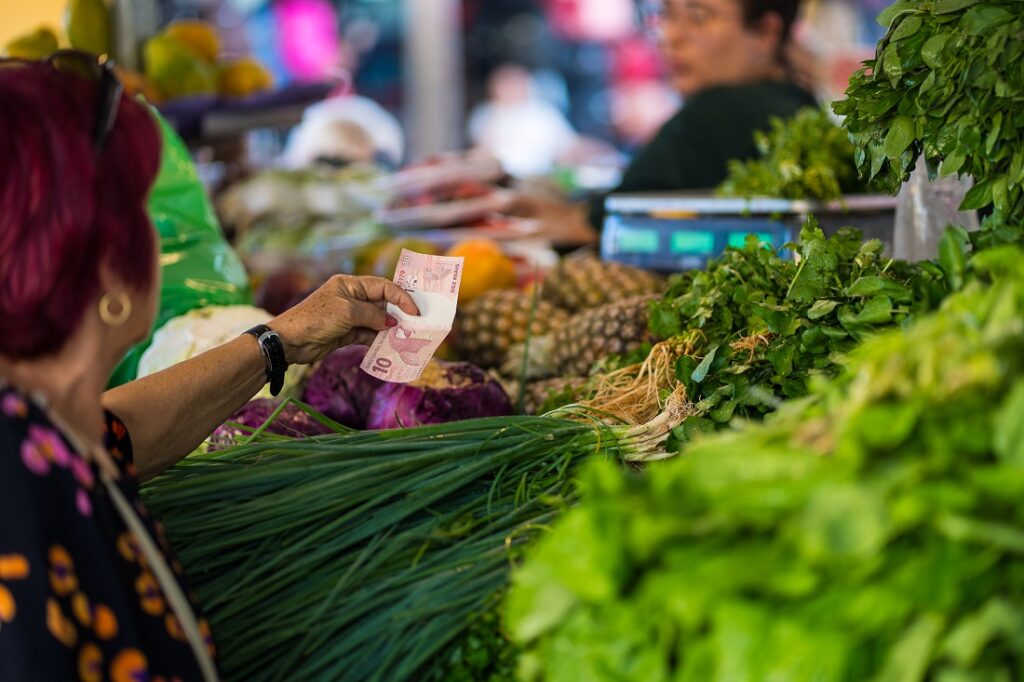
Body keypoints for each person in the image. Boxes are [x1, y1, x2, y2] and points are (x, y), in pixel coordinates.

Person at [0, 56, 418, 681]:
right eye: (145, 215)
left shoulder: (43, 429)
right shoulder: (21, 513)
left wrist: (280, 341)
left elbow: (117, 433)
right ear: (108, 269)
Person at [522, 0, 816, 244]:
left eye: (699, 17)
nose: (670, 35)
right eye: (667, 15)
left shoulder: (719, 109)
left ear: (765, 32)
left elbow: (597, 224)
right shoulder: (800, 103)